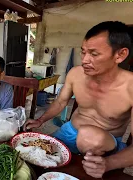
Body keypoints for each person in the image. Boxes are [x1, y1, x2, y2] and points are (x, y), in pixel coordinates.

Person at [25, 21, 133, 178]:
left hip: (103, 142)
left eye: (94, 54)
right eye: (83, 52)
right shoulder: (76, 74)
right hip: (70, 131)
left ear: (120, 55)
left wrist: (109, 164)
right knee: (34, 157)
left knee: (89, 137)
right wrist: (40, 120)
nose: (84, 60)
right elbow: (61, 101)